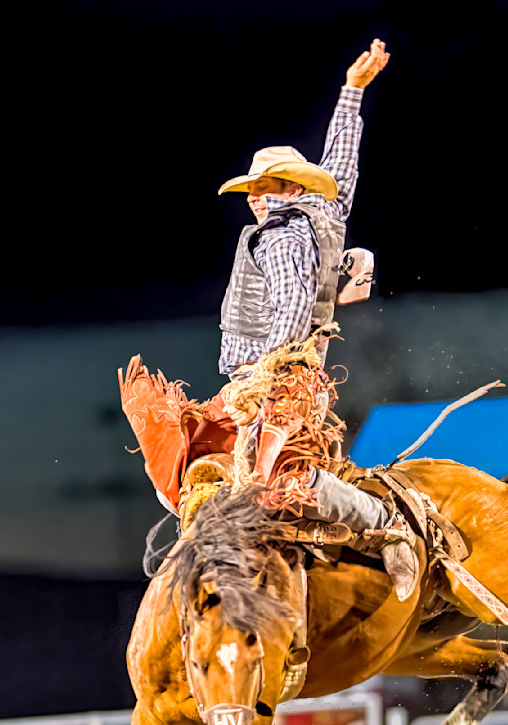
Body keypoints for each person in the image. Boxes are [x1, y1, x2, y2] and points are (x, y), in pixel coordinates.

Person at [214, 38, 419, 600]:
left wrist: (266, 380)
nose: (256, 199)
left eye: (266, 187)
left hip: (273, 379)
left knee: (266, 484)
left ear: (291, 190)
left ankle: (382, 522)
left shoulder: (282, 234)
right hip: (289, 376)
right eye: (253, 191)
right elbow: (342, 164)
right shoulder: (323, 212)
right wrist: (351, 93)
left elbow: (292, 305)